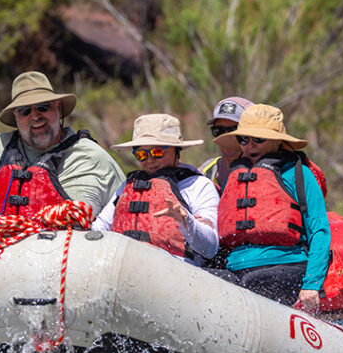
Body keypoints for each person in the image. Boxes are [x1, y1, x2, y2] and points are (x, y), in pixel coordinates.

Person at [0, 71, 124, 251]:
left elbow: (127, 211)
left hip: (68, 271)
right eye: (25, 111)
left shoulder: (94, 159)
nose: (35, 116)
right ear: (16, 118)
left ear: (58, 109)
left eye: (43, 107)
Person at [211, 104, 330, 311]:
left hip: (287, 266)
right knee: (209, 279)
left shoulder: (299, 174)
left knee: (253, 282)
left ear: (277, 141)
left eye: (258, 139)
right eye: (243, 139)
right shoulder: (233, 176)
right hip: (236, 270)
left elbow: (319, 230)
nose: (250, 146)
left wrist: (311, 284)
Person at [92, 114, 218, 265]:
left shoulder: (198, 185)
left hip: (177, 270)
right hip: (124, 265)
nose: (149, 160)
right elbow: (98, 229)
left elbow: (210, 248)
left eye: (157, 152)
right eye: (141, 154)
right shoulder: (126, 187)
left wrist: (185, 221)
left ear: (176, 151)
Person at [200, 96, 254, 192]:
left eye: (234, 130)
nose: (225, 137)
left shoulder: (266, 171)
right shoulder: (207, 171)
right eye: (218, 130)